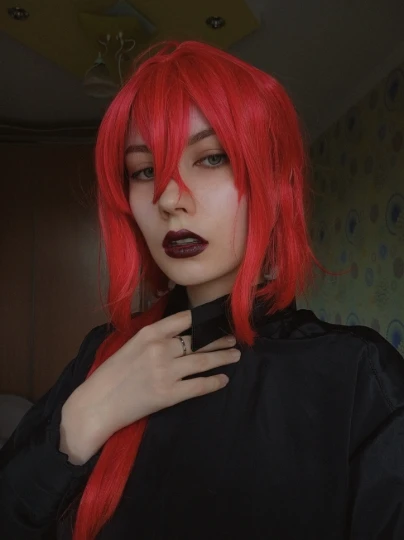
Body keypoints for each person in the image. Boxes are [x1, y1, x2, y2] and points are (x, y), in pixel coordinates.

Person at [1, 40, 404, 540]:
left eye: (211, 158)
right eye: (144, 170)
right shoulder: (102, 353)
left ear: (271, 180)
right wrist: (76, 428)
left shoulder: (359, 377)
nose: (170, 198)